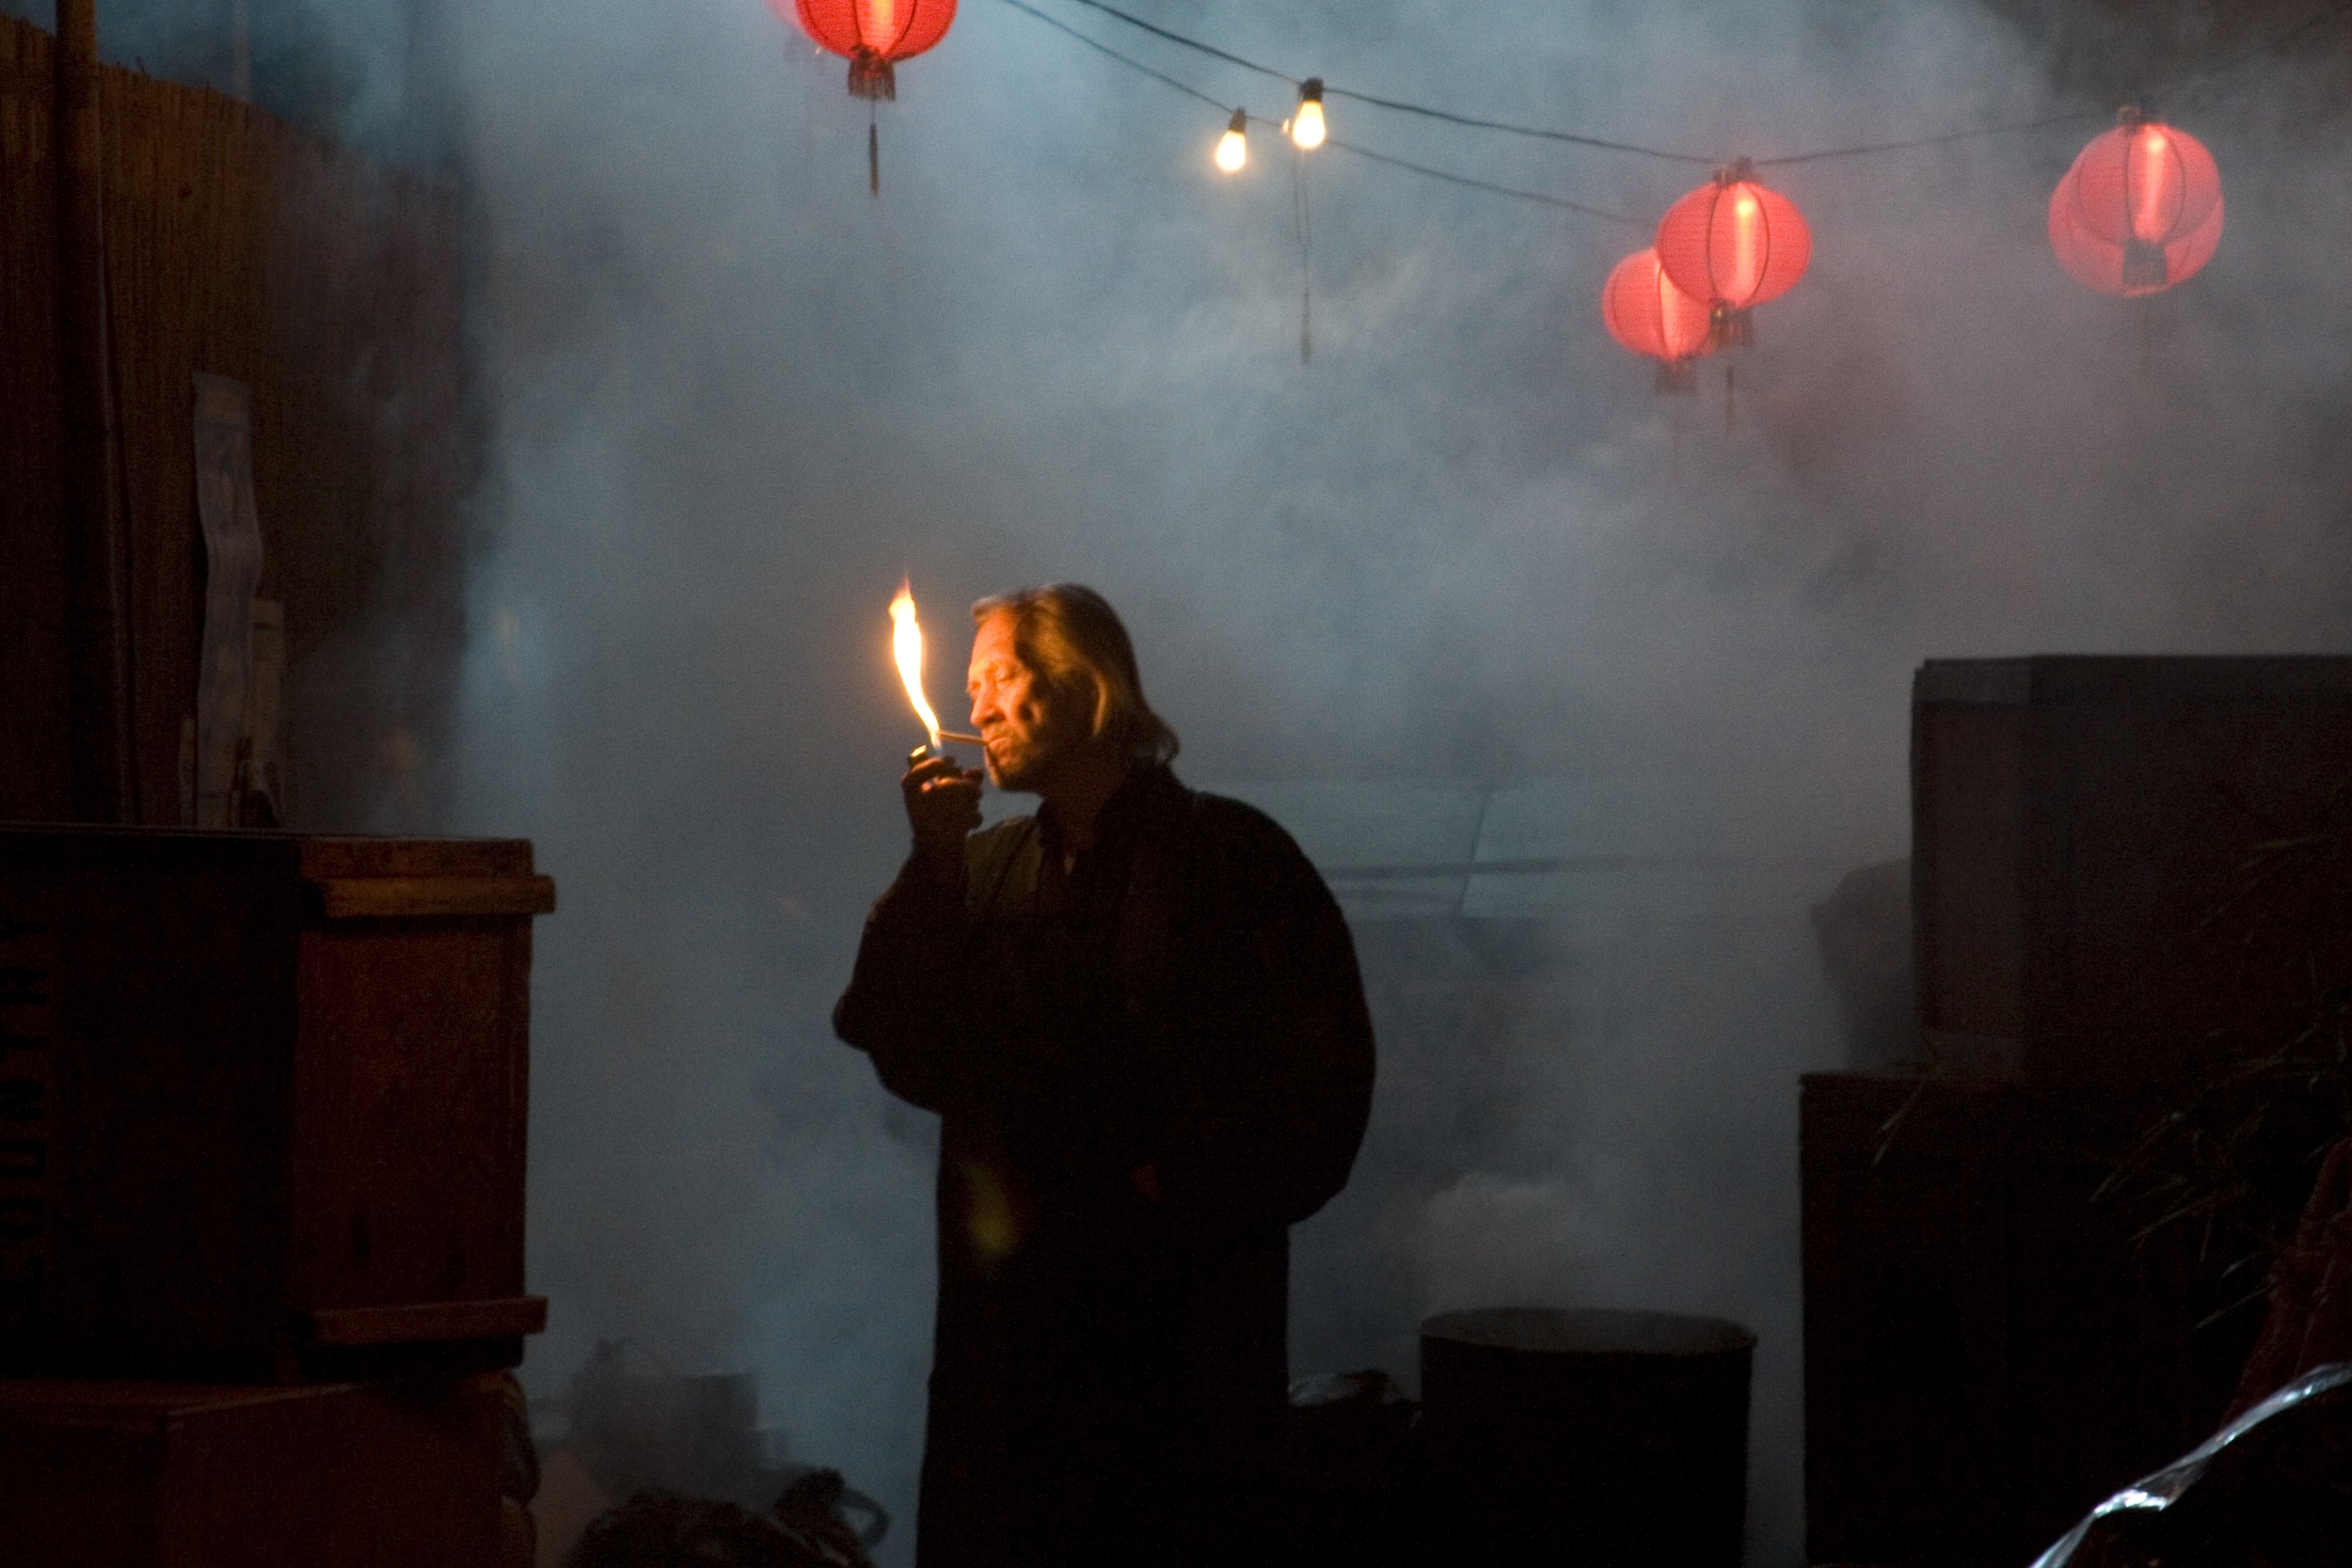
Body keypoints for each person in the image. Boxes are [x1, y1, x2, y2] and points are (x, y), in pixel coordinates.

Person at [834, 584, 1375, 1568]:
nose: (979, 707)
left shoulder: (1230, 856)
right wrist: (933, 863)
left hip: (1174, 1340)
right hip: (1011, 1352)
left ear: (1085, 690)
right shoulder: (985, 867)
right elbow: (897, 1038)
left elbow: (1322, 1078)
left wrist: (1179, 1184)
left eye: (1003, 676)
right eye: (969, 686)